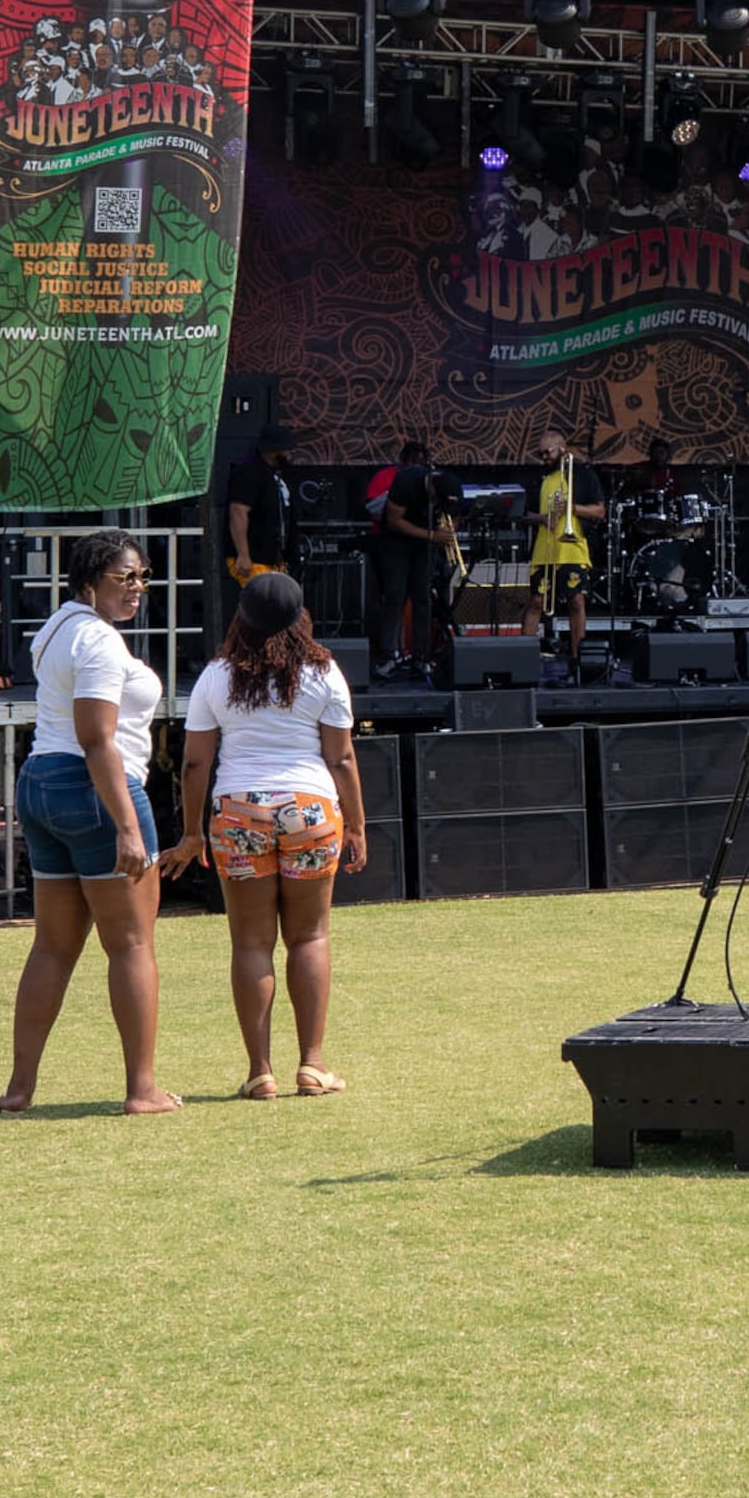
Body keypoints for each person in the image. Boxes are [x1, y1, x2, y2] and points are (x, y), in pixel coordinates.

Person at [0, 531, 178, 1117]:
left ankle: (20, 1087)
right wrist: (128, 827)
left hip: (41, 783)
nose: (138, 589)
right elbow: (96, 738)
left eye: (142, 577)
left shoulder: (56, 627)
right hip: (95, 788)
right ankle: (142, 1089)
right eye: (125, 577)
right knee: (131, 943)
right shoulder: (98, 641)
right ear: (88, 581)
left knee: (52, 946)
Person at [167, 570, 365, 1099]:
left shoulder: (216, 676)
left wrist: (192, 834)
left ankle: (260, 1072)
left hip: (238, 812)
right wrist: (359, 825)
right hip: (311, 808)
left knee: (251, 943)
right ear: (302, 618)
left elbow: (194, 763)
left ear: (242, 617)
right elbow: (341, 756)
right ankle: (312, 1065)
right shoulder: (324, 673)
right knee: (310, 936)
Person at [364, 438, 456, 685]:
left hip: (423, 545)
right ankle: (387, 657)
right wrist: (433, 535)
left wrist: (447, 530)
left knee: (423, 598)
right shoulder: (403, 481)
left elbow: (453, 515)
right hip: (395, 543)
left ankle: (421, 657)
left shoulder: (445, 484)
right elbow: (393, 521)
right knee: (395, 596)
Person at [523, 423, 608, 678]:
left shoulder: (582, 475)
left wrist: (572, 509)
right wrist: (542, 518)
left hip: (573, 549)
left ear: (561, 449)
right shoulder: (539, 478)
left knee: (576, 601)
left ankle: (576, 662)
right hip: (544, 549)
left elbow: (600, 511)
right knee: (536, 602)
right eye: (541, 454)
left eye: (547, 452)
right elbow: (524, 514)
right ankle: (523, 661)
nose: (544, 458)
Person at [221, 424, 294, 589]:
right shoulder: (250, 473)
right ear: (275, 450)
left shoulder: (273, 475)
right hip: (254, 559)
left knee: (271, 607)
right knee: (264, 606)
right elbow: (238, 511)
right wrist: (243, 554)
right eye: (287, 449)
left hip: (272, 560)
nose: (290, 454)